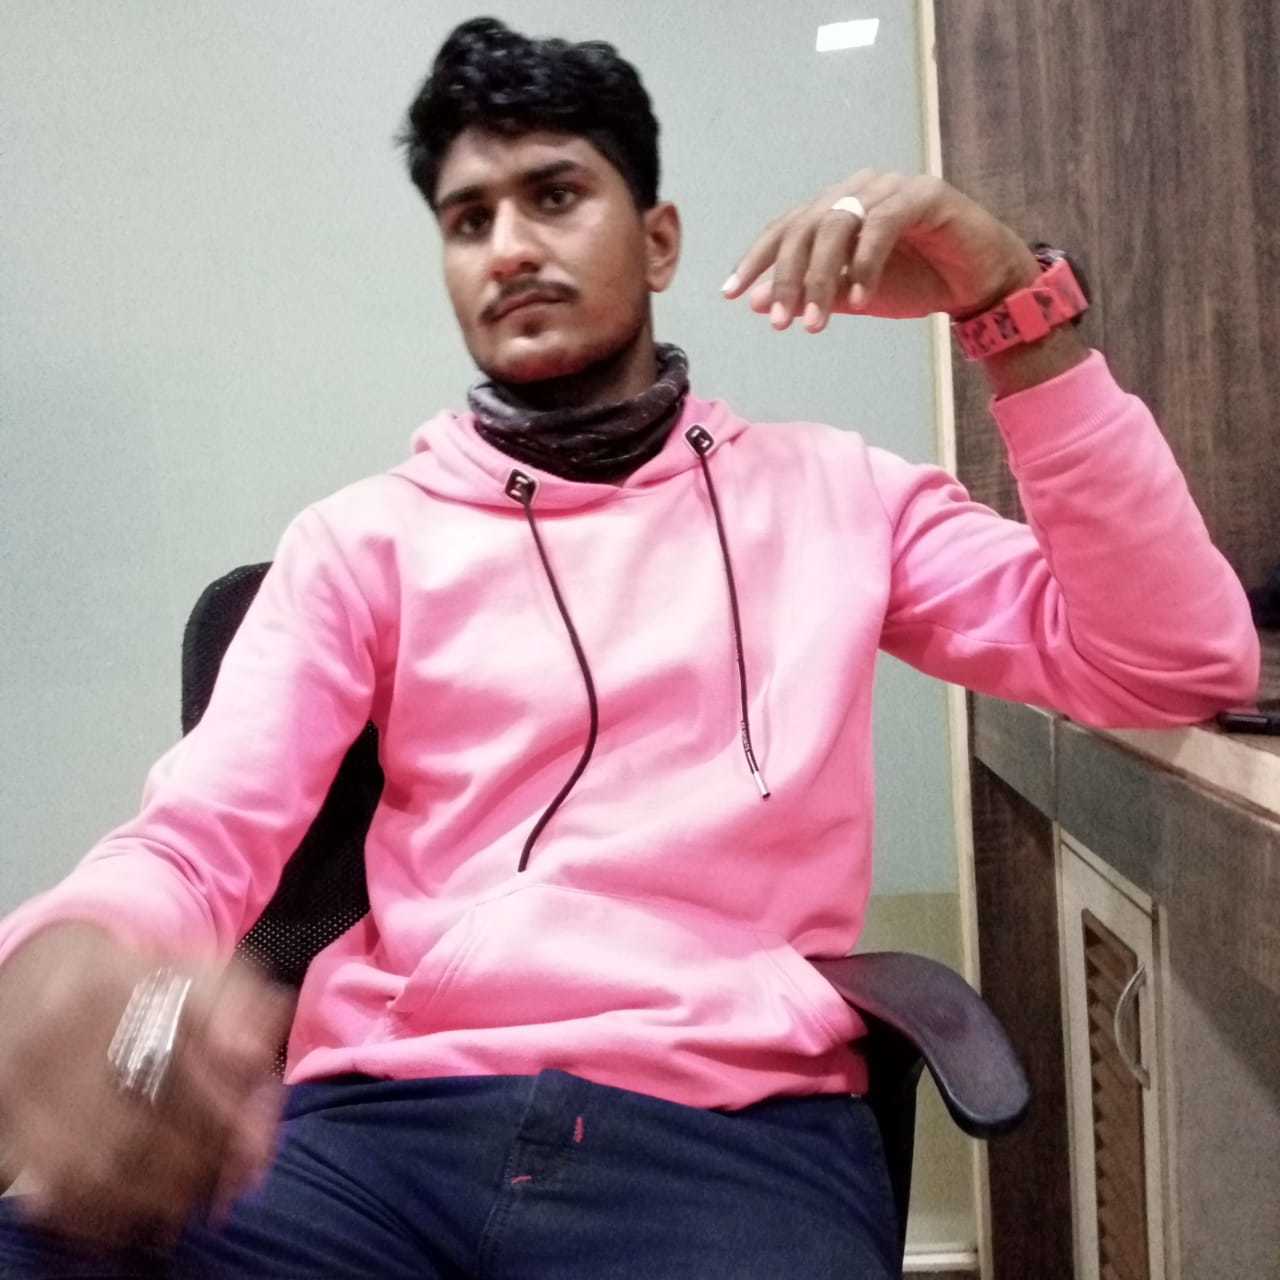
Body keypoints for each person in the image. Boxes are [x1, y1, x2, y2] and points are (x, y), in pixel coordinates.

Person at [0, 15, 1258, 1279]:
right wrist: (73, 954)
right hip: (376, 1134)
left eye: (553, 195)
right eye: (469, 218)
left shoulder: (839, 497)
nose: (508, 246)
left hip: (724, 1131)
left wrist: (1007, 306)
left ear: (658, 240)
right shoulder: (360, 540)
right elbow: (197, 836)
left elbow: (1167, 659)